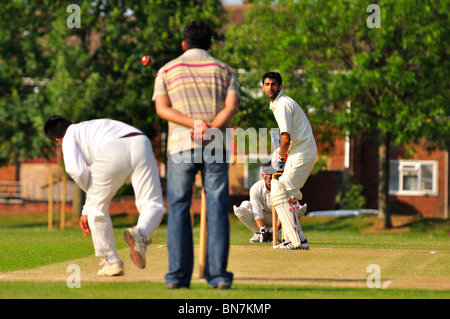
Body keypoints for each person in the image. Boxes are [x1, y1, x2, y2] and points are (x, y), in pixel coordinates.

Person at [153, 20, 240, 289]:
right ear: (211, 43)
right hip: (215, 145)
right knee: (215, 208)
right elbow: (232, 106)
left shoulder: (167, 70)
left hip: (180, 146)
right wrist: (210, 127)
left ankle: (178, 278)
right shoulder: (225, 70)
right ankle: (218, 277)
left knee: (179, 208)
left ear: (183, 43)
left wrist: (192, 125)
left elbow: (162, 109)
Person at [44, 115, 165, 276]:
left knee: (97, 208)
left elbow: (77, 170)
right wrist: (89, 204)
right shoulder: (93, 126)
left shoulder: (68, 136)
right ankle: (141, 233)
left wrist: (88, 207)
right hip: (141, 141)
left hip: (113, 149)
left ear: (58, 140)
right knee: (152, 202)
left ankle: (112, 261)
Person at [262, 72, 317, 250]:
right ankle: (299, 239)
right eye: (267, 84)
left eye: (274, 84)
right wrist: (282, 155)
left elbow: (286, 137)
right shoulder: (278, 104)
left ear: (280, 87)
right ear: (263, 86)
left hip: (302, 152)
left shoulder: (283, 104)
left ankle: (295, 242)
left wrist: (280, 158)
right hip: (299, 151)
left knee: (279, 189)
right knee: (285, 192)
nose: (270, 87)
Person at [233, 161, 307, 245]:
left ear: (277, 174)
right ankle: (259, 233)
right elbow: (257, 211)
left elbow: (285, 208)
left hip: (281, 217)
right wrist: (262, 229)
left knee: (297, 206)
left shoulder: (284, 186)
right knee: (244, 205)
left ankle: (280, 233)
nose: (269, 176)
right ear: (262, 174)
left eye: (272, 173)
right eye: (266, 173)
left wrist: (275, 229)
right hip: (264, 217)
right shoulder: (255, 188)